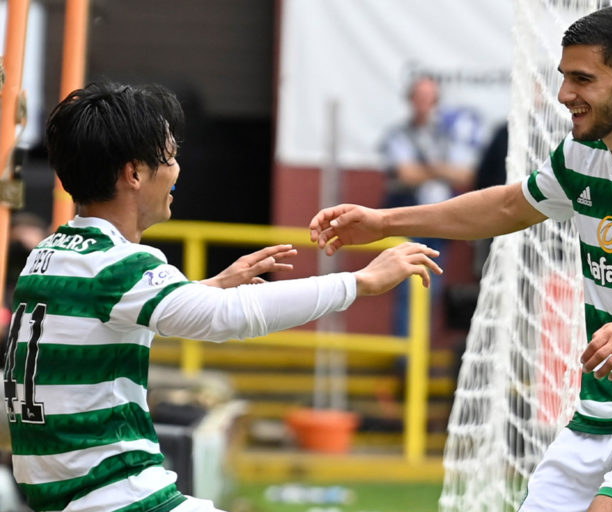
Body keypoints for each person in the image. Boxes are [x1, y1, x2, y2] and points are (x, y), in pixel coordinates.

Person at [310, 6, 612, 512]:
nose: (564, 95)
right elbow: (506, 206)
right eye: (565, 77)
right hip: (600, 411)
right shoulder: (582, 155)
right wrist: (384, 222)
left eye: (583, 79)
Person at [3, 81, 442, 512]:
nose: (177, 170)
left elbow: (113, 313)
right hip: (120, 497)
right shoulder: (119, 264)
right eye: (169, 157)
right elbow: (227, 317)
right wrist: (359, 282)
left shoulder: (48, 255)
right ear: (134, 174)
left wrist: (208, 286)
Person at [380, 74, 479, 336]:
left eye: (429, 97)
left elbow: (465, 174)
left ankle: (419, 351)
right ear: (410, 100)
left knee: (430, 288)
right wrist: (441, 170)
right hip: (408, 221)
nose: (424, 103)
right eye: (419, 97)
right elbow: (405, 174)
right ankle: (406, 354)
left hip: (439, 224)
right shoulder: (398, 135)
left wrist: (425, 169)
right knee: (406, 288)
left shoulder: (446, 136)